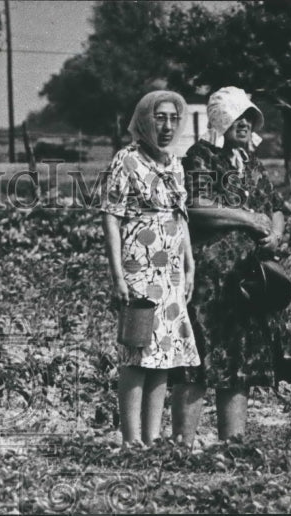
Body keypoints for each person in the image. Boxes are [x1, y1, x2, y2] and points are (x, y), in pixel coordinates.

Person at [171, 86, 291, 443]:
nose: (244, 124)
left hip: (248, 277)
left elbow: (275, 207)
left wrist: (274, 231)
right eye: (237, 117)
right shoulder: (201, 156)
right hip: (211, 275)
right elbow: (195, 206)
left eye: (249, 117)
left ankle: (233, 444)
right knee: (198, 359)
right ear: (221, 120)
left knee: (239, 360)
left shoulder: (252, 163)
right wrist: (245, 218)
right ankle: (184, 445)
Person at [100, 90, 199, 447]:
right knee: (137, 351)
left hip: (171, 271)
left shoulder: (174, 163)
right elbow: (110, 217)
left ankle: (153, 437)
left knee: (164, 354)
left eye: (174, 118)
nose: (167, 126)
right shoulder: (126, 160)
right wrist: (117, 274)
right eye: (160, 118)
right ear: (145, 120)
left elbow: (181, 216)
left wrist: (189, 263)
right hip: (138, 266)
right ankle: (131, 439)